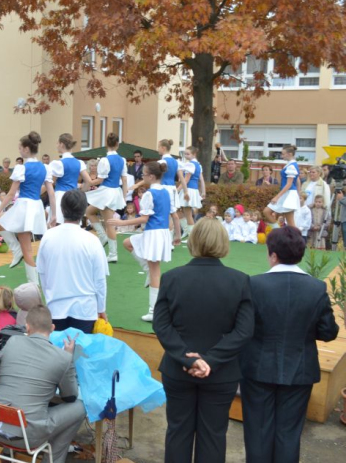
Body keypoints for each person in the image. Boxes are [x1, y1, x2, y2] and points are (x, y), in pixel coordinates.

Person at [153, 217, 254, 463]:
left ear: (193, 241)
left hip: (178, 369)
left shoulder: (172, 278)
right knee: (214, 434)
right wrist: (210, 360)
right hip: (221, 373)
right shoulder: (239, 281)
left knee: (178, 431)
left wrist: (186, 358)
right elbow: (244, 331)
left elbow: (161, 324)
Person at [240, 227, 339, 463]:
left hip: (258, 368)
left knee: (257, 433)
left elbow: (243, 329)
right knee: (289, 434)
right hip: (300, 369)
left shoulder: (254, 284)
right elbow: (328, 332)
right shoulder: (316, 288)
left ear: (273, 255)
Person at [0, 305, 84, 463]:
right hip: (30, 434)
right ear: (52, 328)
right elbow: (70, 396)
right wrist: (69, 359)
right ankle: (52, 459)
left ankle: (8, 452)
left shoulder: (12, 342)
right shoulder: (62, 357)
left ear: (27, 327)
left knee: (14, 399)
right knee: (80, 407)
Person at [108, 161, 180, 322]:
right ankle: (147, 271)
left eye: (144, 174)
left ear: (152, 176)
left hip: (154, 233)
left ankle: (154, 311)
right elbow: (174, 215)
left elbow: (145, 218)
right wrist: (177, 235)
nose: (142, 176)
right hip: (159, 233)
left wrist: (121, 223)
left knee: (155, 272)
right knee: (127, 243)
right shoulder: (166, 192)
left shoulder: (149, 194)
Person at [38, 190, 108, 334]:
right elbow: (100, 279)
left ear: (62, 209)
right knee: (81, 354)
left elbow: (42, 274)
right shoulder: (92, 240)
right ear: (83, 210)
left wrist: (49, 298)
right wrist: (101, 308)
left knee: (57, 352)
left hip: (56, 307)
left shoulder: (48, 236)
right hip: (84, 310)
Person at [0, 132, 56, 285]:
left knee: (25, 247)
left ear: (26, 149)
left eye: (20, 148)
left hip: (24, 205)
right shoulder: (45, 167)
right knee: (26, 246)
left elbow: (11, 193)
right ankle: (31, 277)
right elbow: (51, 192)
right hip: (36, 206)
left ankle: (33, 283)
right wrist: (54, 214)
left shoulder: (22, 168)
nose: (19, 150)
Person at [85, 132, 127, 262]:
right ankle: (103, 237)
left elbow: (101, 179)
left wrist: (90, 182)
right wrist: (124, 196)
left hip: (106, 192)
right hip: (115, 192)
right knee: (89, 212)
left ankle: (113, 253)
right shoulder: (122, 160)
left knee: (109, 223)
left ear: (106, 144)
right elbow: (124, 180)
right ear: (117, 144)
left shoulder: (105, 160)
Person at [50, 133, 92, 225]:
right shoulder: (79, 162)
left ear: (61, 144)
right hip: (74, 196)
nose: (56, 146)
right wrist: (81, 191)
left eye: (57, 143)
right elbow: (89, 181)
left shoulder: (58, 163)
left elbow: (51, 183)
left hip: (61, 196)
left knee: (58, 225)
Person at [263, 145, 300, 229]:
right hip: (287, 193)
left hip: (289, 194)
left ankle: (297, 240)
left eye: (283, 154)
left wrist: (277, 196)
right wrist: (299, 193)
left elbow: (289, 184)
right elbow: (298, 181)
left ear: (289, 154)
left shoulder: (291, 166)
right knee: (266, 211)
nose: (281, 156)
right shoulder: (290, 165)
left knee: (291, 223)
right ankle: (278, 230)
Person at [177, 146, 205, 238]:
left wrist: (177, 190)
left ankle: (191, 236)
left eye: (188, 154)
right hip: (193, 189)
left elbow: (186, 179)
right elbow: (201, 179)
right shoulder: (198, 164)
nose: (186, 155)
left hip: (188, 190)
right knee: (183, 212)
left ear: (194, 154)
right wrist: (203, 191)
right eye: (185, 154)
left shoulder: (191, 164)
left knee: (188, 214)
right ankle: (187, 232)